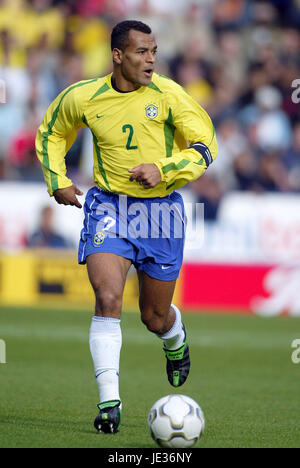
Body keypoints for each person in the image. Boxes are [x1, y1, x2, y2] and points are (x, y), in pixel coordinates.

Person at [35, 20, 218, 434]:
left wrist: (165, 168)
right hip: (109, 208)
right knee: (108, 296)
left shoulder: (170, 95)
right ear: (118, 55)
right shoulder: (83, 96)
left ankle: (174, 339)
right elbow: (51, 131)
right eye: (141, 52)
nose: (150, 59)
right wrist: (57, 179)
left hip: (160, 213)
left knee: (153, 317)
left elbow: (207, 146)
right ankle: (109, 405)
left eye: (153, 51)